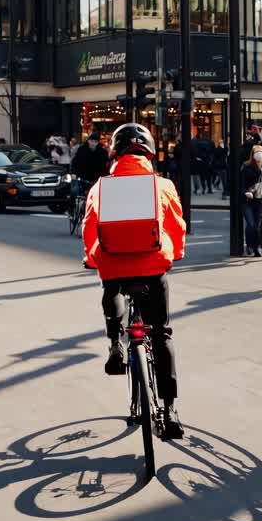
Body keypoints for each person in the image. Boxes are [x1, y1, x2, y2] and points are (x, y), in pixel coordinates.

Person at [81, 123, 186, 439]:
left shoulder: (101, 187)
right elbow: (177, 225)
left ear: (114, 153)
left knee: (111, 284)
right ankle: (169, 411)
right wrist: (175, 253)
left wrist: (92, 258)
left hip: (115, 265)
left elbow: (89, 226)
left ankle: (116, 342)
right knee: (161, 333)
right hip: (153, 267)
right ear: (150, 153)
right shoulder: (162, 185)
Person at [240, 144, 262, 258]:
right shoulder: (246, 166)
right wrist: (245, 192)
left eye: (260, 152)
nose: (258, 155)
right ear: (252, 155)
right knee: (250, 224)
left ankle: (256, 248)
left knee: (257, 226)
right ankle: (249, 245)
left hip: (260, 200)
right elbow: (240, 183)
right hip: (248, 200)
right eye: (256, 152)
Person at [71, 132, 110, 197]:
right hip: (83, 178)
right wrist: (73, 173)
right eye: (91, 141)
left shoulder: (103, 152)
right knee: (78, 195)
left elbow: (106, 165)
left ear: (98, 142)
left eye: (95, 141)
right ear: (88, 140)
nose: (93, 143)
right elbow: (75, 162)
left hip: (97, 179)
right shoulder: (82, 149)